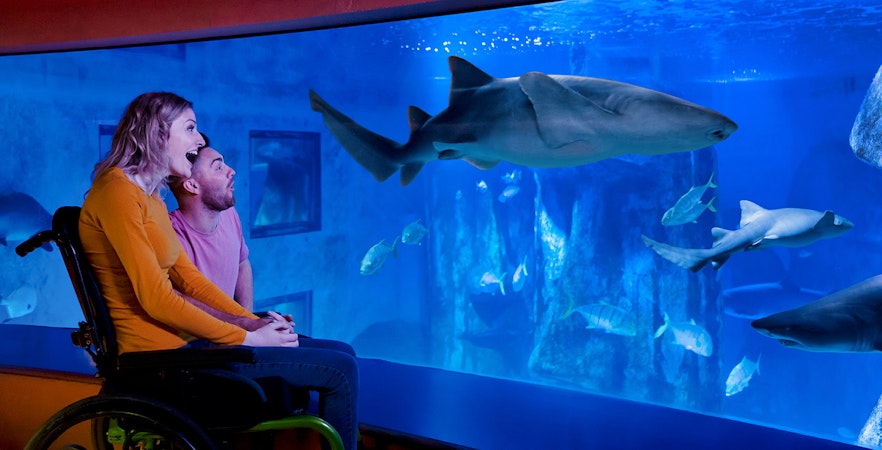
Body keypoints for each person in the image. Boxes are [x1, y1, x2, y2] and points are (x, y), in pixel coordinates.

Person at [79, 92, 359, 450]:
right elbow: (156, 298)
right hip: (165, 362)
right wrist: (247, 339)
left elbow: (188, 279)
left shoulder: (149, 196)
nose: (199, 139)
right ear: (158, 133)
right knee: (340, 371)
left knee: (343, 352)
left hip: (190, 347)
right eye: (191, 128)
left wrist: (250, 321)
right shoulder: (117, 193)